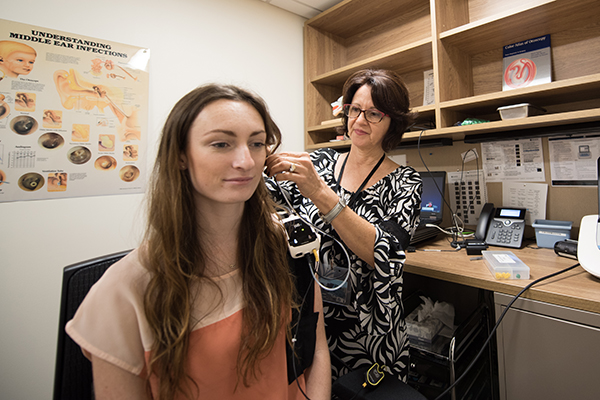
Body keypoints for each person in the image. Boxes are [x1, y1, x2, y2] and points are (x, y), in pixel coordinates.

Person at [66, 83, 331, 400]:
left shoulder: (287, 246)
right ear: (180, 155)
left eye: (257, 143)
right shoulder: (123, 290)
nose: (246, 161)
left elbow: (314, 351)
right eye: (221, 144)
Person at [265, 69, 422, 383]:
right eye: (354, 109)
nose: (360, 120)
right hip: (310, 320)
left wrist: (320, 193)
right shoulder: (318, 162)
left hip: (369, 334)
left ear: (393, 121)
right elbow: (262, 196)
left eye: (374, 113)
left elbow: (383, 253)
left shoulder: (406, 182)